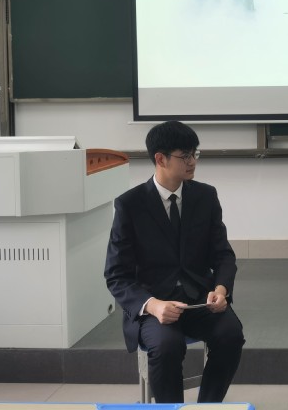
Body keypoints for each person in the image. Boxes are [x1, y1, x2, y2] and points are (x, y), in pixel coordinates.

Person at [104, 120, 244, 403]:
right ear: (160, 159)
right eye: (185, 156)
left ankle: (207, 407)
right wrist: (153, 305)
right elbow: (116, 274)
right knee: (167, 346)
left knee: (231, 334)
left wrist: (221, 290)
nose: (193, 162)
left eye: (195, 154)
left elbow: (223, 254)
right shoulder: (130, 205)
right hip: (155, 304)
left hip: (199, 300)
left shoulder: (205, 196)